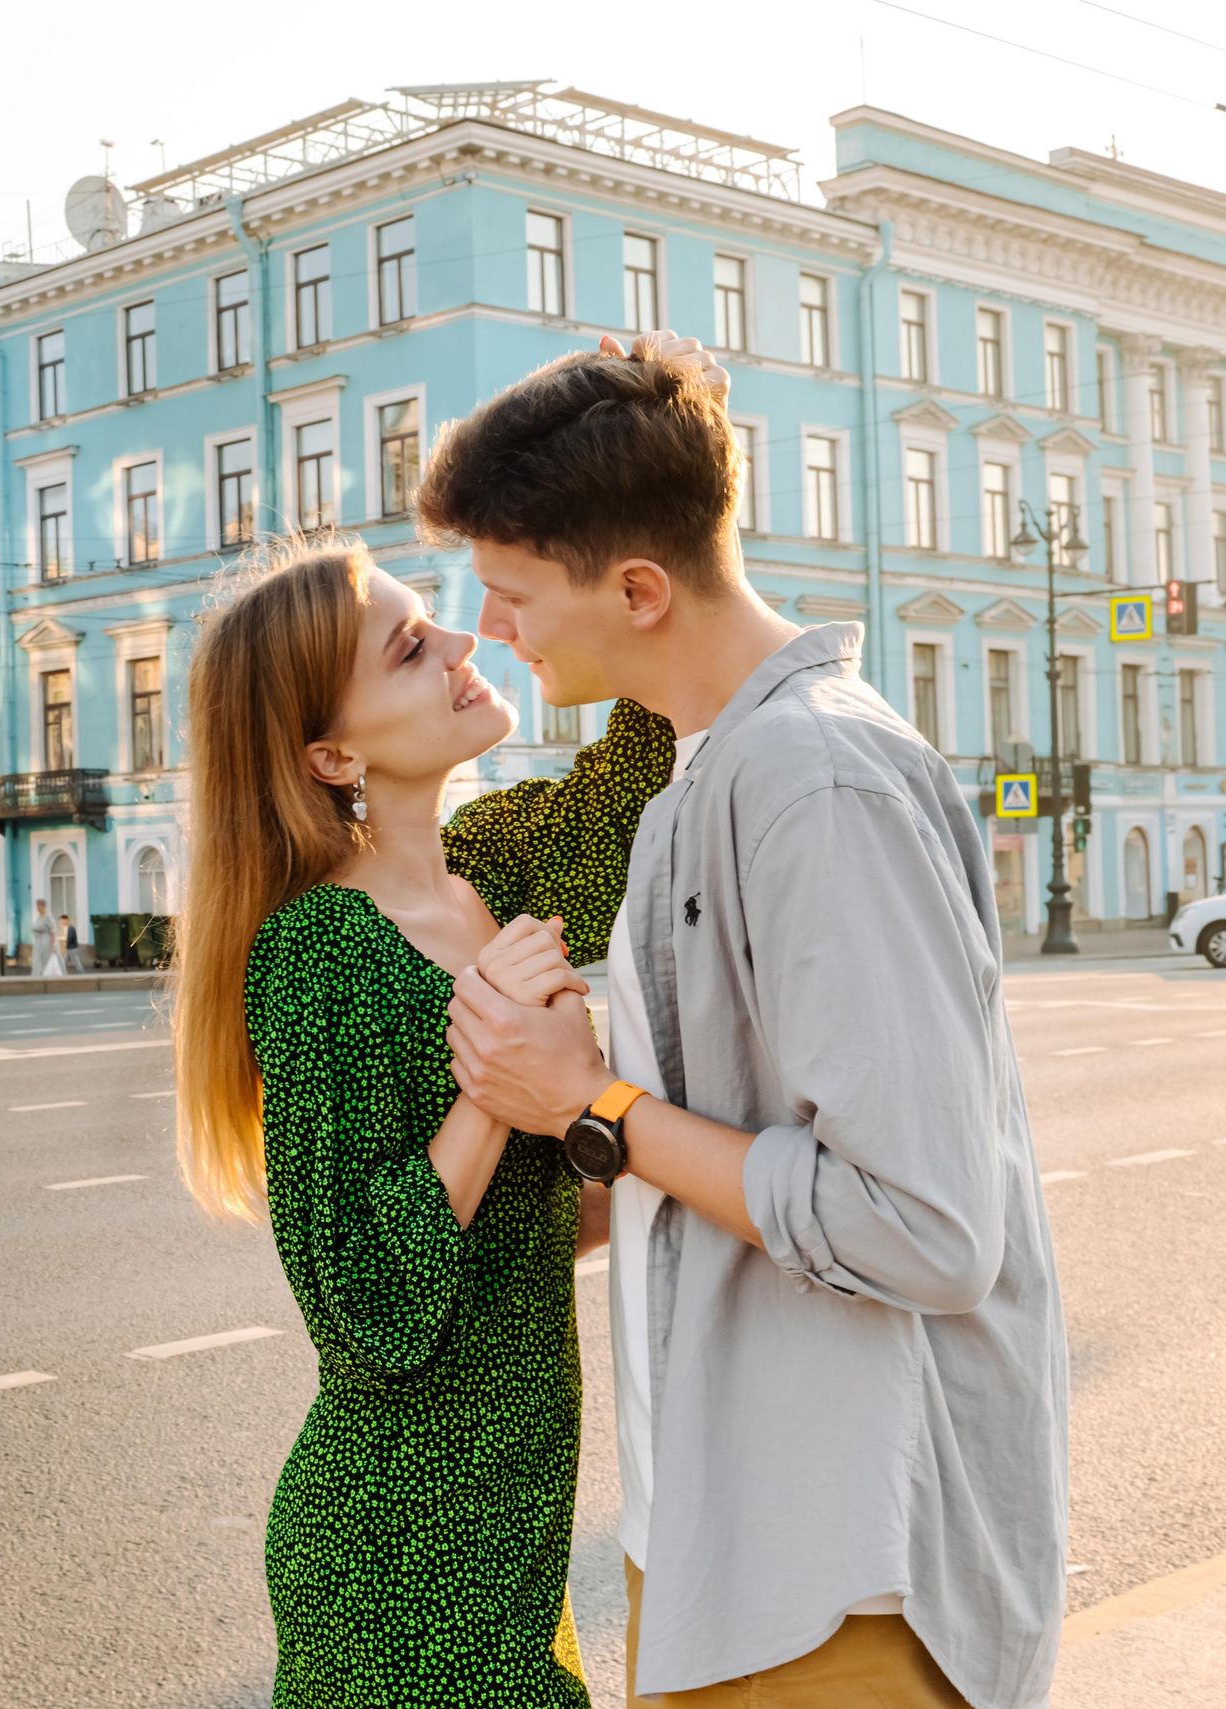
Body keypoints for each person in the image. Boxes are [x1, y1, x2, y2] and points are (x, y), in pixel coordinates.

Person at [426, 344, 1069, 1708]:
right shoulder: (708, 769)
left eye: (513, 592)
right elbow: (722, 1151)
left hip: (843, 1580)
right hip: (727, 1551)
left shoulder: (811, 777)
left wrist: (589, 1103)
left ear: (637, 590)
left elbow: (926, 1227)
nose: (490, 628)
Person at [172, 537, 677, 1706]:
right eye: (409, 648)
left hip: (510, 1531)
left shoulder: (490, 871)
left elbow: (643, 766)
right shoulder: (318, 948)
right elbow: (368, 1307)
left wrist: (626, 510)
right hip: (397, 1552)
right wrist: (495, 1075)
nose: (460, 642)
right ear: (332, 753)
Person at [32, 899, 65, 977]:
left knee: (46, 959)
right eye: (37, 906)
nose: (37, 908)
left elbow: (52, 931)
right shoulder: (39, 917)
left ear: (43, 906)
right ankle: (38, 975)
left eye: (39, 906)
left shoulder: (48, 917)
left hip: (46, 942)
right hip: (39, 943)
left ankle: (49, 975)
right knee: (38, 960)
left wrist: (53, 944)